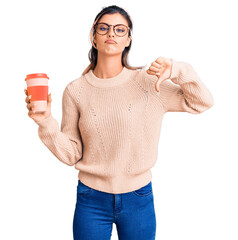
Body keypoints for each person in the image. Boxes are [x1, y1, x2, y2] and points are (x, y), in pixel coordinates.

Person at [24, 5, 214, 240]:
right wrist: (45, 122)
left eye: (119, 29)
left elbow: (202, 102)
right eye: (103, 28)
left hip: (139, 199)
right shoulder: (75, 91)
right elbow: (71, 154)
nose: (111, 34)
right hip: (91, 199)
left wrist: (178, 69)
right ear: (94, 38)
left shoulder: (148, 83)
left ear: (128, 40)